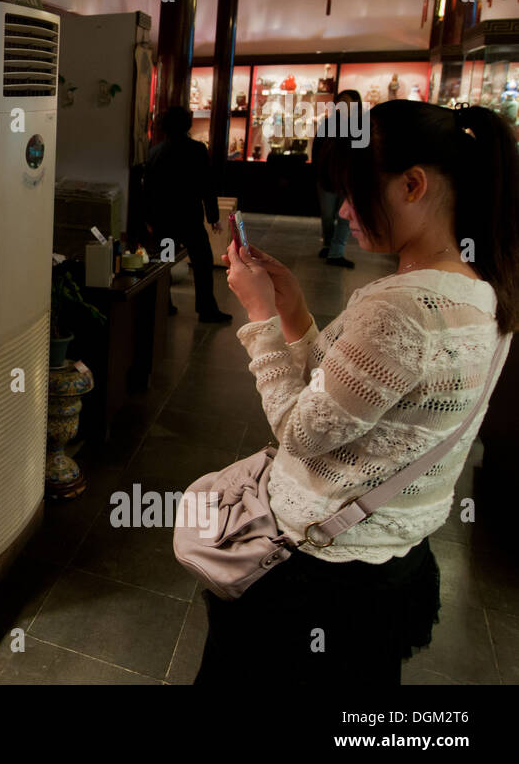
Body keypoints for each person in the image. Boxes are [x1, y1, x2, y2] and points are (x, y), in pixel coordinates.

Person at [196, 101, 517, 685]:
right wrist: (294, 312)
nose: (344, 209)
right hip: (393, 556)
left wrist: (260, 314)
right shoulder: (482, 292)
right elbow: (356, 403)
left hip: (323, 572)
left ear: (413, 184)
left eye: (353, 192)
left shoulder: (401, 307)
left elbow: (302, 430)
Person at [145, 107, 232, 323]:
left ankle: (163, 304)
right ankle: (206, 309)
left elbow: (149, 190)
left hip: (163, 220)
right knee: (202, 263)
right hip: (189, 219)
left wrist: (149, 219)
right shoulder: (196, 149)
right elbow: (206, 185)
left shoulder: (155, 152)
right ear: (187, 125)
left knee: (164, 264)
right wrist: (213, 217)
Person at [312, 89, 360, 268]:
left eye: (347, 101)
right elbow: (317, 149)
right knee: (327, 215)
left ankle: (336, 251)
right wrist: (318, 170)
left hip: (348, 179)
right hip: (327, 176)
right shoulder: (328, 124)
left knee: (345, 217)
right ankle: (328, 244)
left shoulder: (360, 125)